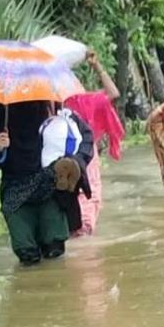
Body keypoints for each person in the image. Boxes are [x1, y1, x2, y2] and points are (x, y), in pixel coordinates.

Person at [0, 100, 94, 266]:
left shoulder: (50, 99)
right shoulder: (1, 105)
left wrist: (75, 162)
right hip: (16, 189)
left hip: (50, 186)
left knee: (55, 249)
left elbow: (85, 137)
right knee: (27, 253)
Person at [63, 51, 124, 237]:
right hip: (73, 157)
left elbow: (113, 93)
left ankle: (80, 235)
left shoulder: (83, 101)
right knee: (85, 195)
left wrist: (97, 66)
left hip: (78, 157)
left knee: (85, 195)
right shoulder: (55, 104)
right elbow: (113, 93)